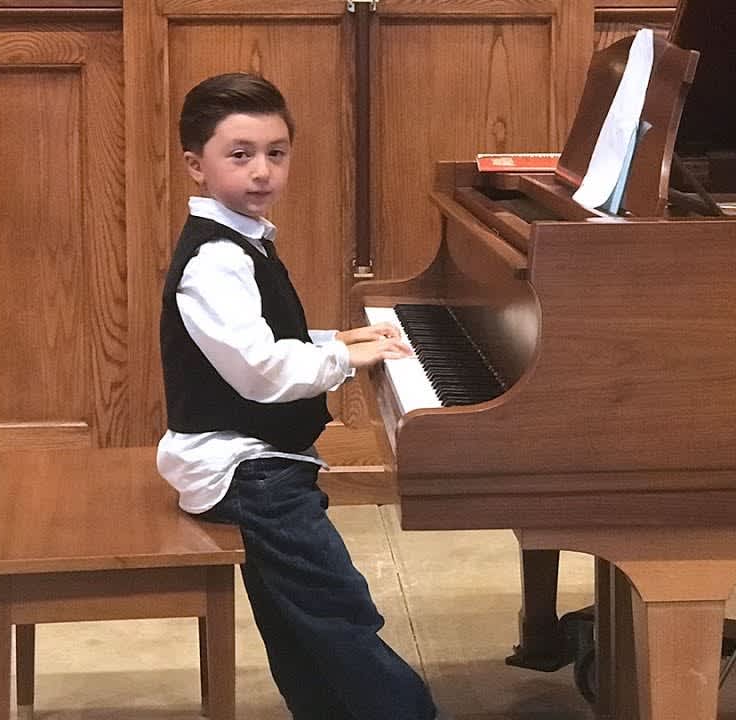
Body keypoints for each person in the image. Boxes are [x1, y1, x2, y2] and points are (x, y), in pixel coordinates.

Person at [157, 72, 440, 720]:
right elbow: (259, 371)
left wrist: (334, 336)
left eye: (276, 153)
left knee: (298, 617)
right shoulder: (214, 261)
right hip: (242, 465)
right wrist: (343, 357)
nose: (262, 171)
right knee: (339, 609)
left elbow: (264, 338)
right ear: (195, 166)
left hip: (255, 455)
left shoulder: (242, 239)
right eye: (241, 154)